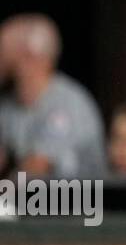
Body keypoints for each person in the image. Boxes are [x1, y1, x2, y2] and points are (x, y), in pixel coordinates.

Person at [0, 14, 105, 180]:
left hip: (77, 201)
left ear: (29, 56)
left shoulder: (69, 102)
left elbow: (36, 168)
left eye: (4, 50)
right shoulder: (9, 106)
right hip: (32, 201)